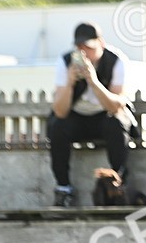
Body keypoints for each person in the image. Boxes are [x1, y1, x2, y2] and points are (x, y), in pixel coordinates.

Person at [48, 22, 135, 207]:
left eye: (89, 48)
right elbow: (60, 111)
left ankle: (117, 184)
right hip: (77, 118)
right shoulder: (65, 62)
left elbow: (115, 106)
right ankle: (63, 188)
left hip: (104, 116)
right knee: (57, 128)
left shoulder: (116, 61)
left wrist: (93, 82)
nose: (84, 53)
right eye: (80, 48)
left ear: (101, 44)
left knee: (116, 125)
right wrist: (70, 83)